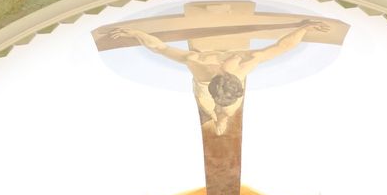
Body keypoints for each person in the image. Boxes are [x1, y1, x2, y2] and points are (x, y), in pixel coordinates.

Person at [111, 20, 330, 136]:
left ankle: (222, 118)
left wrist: (305, 28)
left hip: (227, 93)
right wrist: (136, 34)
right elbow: (159, 48)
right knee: (211, 109)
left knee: (227, 111)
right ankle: (218, 118)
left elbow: (282, 47)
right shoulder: (198, 65)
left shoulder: (243, 66)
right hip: (206, 90)